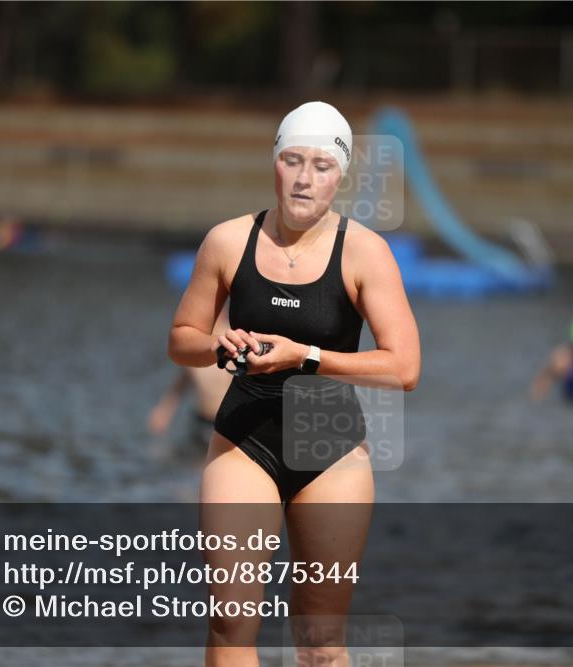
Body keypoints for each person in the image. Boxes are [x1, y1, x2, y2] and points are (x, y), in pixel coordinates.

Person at [166, 100, 421, 665]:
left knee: (320, 643)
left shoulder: (365, 253)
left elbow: (405, 368)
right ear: (275, 162)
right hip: (243, 443)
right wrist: (217, 345)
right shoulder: (228, 241)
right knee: (230, 622)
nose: (304, 178)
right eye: (292, 160)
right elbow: (181, 338)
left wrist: (305, 356)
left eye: (321, 166)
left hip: (332, 455)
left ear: (340, 176)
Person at [148, 304, 233, 460]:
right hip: (200, 420)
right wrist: (164, 411)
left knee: (211, 464)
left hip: (225, 422)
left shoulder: (233, 338)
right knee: (192, 462)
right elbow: (181, 383)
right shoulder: (195, 342)